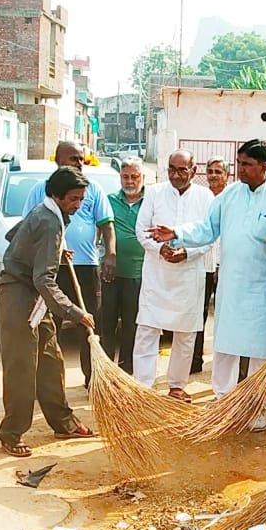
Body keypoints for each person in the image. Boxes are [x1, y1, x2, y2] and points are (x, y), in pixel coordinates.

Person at [148, 139, 266, 433]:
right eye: (239, 163)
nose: (240, 169)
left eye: (247, 165)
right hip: (231, 286)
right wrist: (175, 232)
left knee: (261, 351)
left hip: (265, 287)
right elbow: (206, 229)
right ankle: (223, 403)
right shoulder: (229, 196)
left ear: (264, 167)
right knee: (226, 348)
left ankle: (256, 408)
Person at [0, 168, 96, 458]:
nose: (77, 205)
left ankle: (64, 422)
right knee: (22, 367)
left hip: (36, 298)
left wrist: (50, 250)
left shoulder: (47, 212)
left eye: (81, 199)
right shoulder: (49, 220)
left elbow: (15, 233)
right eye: (73, 199)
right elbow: (44, 279)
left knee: (51, 359)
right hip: (20, 295)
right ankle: (11, 432)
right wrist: (75, 312)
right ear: (57, 195)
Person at [24, 141, 117, 385]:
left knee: (89, 322)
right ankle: (48, 382)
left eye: (81, 159)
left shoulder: (92, 189)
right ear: (58, 160)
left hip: (85, 266)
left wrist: (110, 254)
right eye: (74, 158)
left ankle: (94, 380)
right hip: (51, 267)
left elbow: (106, 225)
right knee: (48, 325)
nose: (79, 163)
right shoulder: (40, 190)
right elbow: (28, 228)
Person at [133, 150, 215, 401]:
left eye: (182, 170)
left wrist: (187, 252)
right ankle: (143, 386)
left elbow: (210, 235)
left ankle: (177, 386)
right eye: (172, 169)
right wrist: (161, 249)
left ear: (193, 171)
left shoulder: (205, 196)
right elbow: (141, 230)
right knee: (147, 329)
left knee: (186, 333)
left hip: (189, 274)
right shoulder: (155, 193)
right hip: (157, 272)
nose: (176, 175)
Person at [100, 158, 146, 374]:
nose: (129, 181)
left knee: (131, 326)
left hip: (138, 275)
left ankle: (126, 373)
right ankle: (106, 373)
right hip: (110, 275)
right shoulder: (109, 200)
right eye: (125, 177)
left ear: (143, 178)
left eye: (134, 177)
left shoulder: (151, 202)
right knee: (106, 324)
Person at [192, 158, 229, 373]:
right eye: (210, 171)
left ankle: (223, 365)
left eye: (218, 171)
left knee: (224, 315)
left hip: (226, 266)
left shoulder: (231, 198)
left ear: (226, 175)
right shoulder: (202, 199)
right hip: (204, 264)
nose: (213, 175)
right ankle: (195, 360)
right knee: (199, 312)